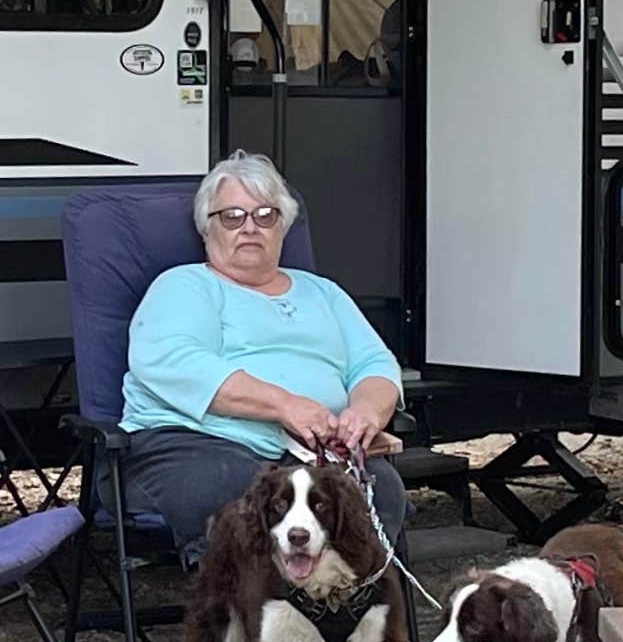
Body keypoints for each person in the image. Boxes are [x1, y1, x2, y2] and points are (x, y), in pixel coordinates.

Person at [119, 150, 410, 564]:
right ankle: (252, 603)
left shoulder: (323, 292)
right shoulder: (185, 286)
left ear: (283, 227)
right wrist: (285, 405)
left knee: (378, 489)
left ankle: (345, 600)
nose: (250, 227)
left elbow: (375, 364)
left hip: (313, 449)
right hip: (200, 442)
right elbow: (171, 359)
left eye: (265, 215)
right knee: (238, 490)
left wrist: (366, 412)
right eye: (232, 216)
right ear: (207, 229)